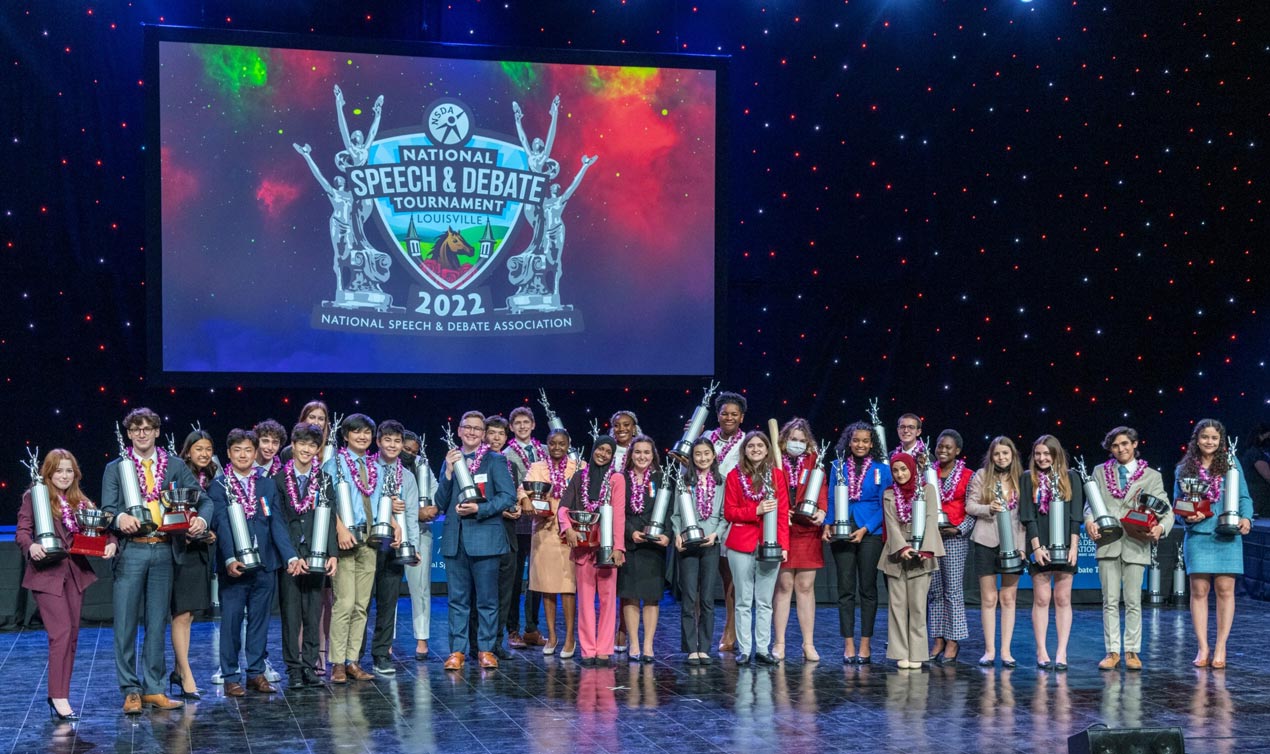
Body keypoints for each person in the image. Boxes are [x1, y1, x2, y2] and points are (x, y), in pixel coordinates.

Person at [101, 407, 205, 714]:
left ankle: (154, 688)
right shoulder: (116, 468)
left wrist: (198, 518)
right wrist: (119, 517)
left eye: (148, 428)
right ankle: (131, 689)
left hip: (163, 549)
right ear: (129, 434)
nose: (142, 433)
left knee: (158, 622)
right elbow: (107, 509)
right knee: (125, 623)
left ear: (157, 431)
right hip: (132, 550)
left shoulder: (173, 465)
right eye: (136, 429)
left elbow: (201, 496)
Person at [17, 449, 117, 720]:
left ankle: (61, 693)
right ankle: (58, 696)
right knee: (60, 634)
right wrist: (32, 546)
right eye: (58, 470)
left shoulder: (80, 501)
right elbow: (23, 531)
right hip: (47, 575)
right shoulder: (35, 496)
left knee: (71, 637)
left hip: (75, 574)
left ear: (75, 474)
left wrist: (110, 543)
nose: (64, 475)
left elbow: (103, 530)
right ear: (48, 473)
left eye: (69, 470)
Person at [209, 428, 303, 697]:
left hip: (265, 565)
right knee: (231, 622)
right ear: (228, 453)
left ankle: (255, 672)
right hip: (234, 568)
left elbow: (276, 524)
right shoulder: (218, 486)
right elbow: (222, 524)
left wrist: (290, 556)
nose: (242, 455)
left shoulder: (266, 483)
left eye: (248, 450)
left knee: (260, 621)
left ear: (255, 453)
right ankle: (229, 676)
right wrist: (228, 558)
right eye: (237, 450)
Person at [1086, 425, 1172, 671]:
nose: (1120, 449)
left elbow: (1166, 509)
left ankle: (1132, 650)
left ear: (1135, 444)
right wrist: (1090, 520)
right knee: (1109, 601)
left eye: (1125, 443)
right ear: (1110, 449)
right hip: (1108, 542)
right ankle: (1112, 651)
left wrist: (1161, 529)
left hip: (1136, 543)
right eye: (1115, 445)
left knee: (1133, 601)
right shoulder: (1100, 472)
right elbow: (1091, 504)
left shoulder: (1152, 476)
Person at [439, 411, 517, 671]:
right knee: (457, 600)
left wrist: (479, 510)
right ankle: (457, 652)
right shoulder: (450, 459)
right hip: (455, 540)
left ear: (483, 434)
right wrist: (449, 472)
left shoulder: (495, 460)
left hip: (485, 537)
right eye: (467, 427)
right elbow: (440, 502)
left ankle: (485, 649)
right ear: (459, 431)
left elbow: (508, 497)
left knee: (487, 600)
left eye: (477, 428)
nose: (471, 432)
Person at [1174, 419, 1253, 669]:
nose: (1210, 442)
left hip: (1227, 534)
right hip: (1197, 534)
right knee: (1198, 591)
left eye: (1214, 438)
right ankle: (1202, 647)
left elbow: (1243, 496)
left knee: (1225, 591)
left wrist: (1247, 518)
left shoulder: (1231, 463)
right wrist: (1187, 516)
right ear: (1196, 439)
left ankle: (1220, 647)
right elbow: (1177, 505)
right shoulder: (1184, 468)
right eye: (1205, 437)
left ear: (1221, 441)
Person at [275, 423, 338, 688]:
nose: (306, 449)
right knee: (291, 616)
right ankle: (293, 669)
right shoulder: (278, 479)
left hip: (317, 554)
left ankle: (310, 666)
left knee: (313, 613)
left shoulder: (324, 480)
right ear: (293, 444)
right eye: (302, 444)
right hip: (291, 556)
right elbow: (277, 522)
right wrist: (290, 556)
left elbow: (331, 517)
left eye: (312, 445)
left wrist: (332, 554)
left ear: (318, 449)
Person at [321, 413, 381, 683]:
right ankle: (336, 663)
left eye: (367, 432)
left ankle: (353, 660)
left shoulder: (376, 466)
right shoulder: (333, 464)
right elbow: (324, 499)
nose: (362, 436)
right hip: (344, 539)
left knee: (361, 605)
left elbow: (382, 501)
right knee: (343, 603)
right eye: (356, 432)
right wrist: (339, 528)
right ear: (345, 436)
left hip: (371, 540)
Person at [826, 421, 891, 665]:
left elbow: (885, 503)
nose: (860, 445)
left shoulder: (882, 470)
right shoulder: (837, 467)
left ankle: (865, 642)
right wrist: (828, 524)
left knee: (867, 589)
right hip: (842, 529)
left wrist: (866, 529)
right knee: (845, 589)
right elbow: (833, 497)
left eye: (865, 441)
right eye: (856, 440)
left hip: (870, 532)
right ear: (848, 442)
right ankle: (848, 643)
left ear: (872, 443)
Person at [560, 436, 628, 665]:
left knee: (609, 601)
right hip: (582, 548)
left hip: (606, 548)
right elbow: (563, 508)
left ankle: (604, 649)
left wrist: (618, 548)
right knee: (586, 602)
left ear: (613, 455)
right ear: (594, 450)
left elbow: (618, 515)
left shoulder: (617, 479)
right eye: (600, 449)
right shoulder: (580, 476)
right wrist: (567, 528)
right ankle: (588, 650)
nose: (603, 454)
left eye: (608, 451)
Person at [723, 431, 790, 665]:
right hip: (741, 543)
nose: (755, 449)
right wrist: (756, 511)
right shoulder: (734, 476)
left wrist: (784, 546)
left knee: (764, 600)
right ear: (745, 450)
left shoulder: (777, 476)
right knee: (743, 599)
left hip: (769, 544)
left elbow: (782, 514)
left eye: (760, 445)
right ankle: (744, 649)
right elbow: (729, 512)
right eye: (750, 446)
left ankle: (762, 649)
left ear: (767, 449)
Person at [1019, 435, 1084, 671]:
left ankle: (1061, 652)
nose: (1042, 458)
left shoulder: (1072, 477)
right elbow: (1027, 515)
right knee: (1042, 598)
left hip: (1066, 544)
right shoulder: (1028, 478)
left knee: (1063, 598)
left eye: (1047, 454)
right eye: (1038, 454)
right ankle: (1042, 650)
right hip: (1040, 543)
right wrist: (1036, 547)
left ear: (1056, 455)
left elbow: (1076, 515)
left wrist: (1074, 547)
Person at [965, 436, 1026, 667]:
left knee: (1008, 598)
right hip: (986, 541)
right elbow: (970, 506)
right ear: (991, 456)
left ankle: (1006, 651)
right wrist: (988, 508)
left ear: (1012, 455)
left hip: (1013, 543)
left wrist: (1021, 547)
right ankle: (989, 650)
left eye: (1005, 453)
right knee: (989, 598)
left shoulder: (1022, 478)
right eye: (997, 454)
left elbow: (1025, 516)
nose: (1001, 457)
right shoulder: (981, 476)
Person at [880, 453, 944, 669]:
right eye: (895, 470)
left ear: (912, 468)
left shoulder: (927, 489)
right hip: (897, 554)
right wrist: (902, 547)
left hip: (921, 553)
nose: (900, 474)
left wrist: (923, 549)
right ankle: (900, 651)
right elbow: (891, 523)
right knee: (897, 605)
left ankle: (917, 652)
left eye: (904, 469)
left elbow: (930, 519)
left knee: (917, 605)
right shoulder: (889, 493)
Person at [169, 429, 218, 700]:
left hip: (201, 551)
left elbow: (213, 512)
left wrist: (211, 532)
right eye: (198, 448)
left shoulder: (213, 477)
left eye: (208, 449)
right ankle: (186, 675)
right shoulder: (177, 474)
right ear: (187, 451)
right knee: (180, 614)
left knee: (188, 616)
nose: (204, 454)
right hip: (180, 552)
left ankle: (179, 669)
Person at [773, 418, 827, 662]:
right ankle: (780, 643)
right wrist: (780, 511)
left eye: (802, 441)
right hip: (783, 529)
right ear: (784, 440)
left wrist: (823, 512)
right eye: (793, 440)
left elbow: (823, 489)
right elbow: (768, 489)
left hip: (807, 530)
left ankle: (808, 644)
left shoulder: (814, 461)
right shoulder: (773, 460)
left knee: (805, 587)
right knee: (784, 586)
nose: (797, 444)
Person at [523, 428, 580, 657]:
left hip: (570, 533)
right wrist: (526, 500)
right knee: (547, 587)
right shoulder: (537, 467)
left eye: (562, 444)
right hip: (544, 531)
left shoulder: (579, 467)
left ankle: (569, 637)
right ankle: (552, 636)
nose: (557, 448)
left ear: (568, 445)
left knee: (567, 588)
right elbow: (523, 490)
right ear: (547, 445)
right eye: (553, 444)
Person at [672, 438, 729, 665]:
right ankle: (690, 647)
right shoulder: (684, 482)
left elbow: (725, 515)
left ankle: (704, 647)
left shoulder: (721, 482)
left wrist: (716, 534)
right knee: (688, 597)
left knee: (706, 598)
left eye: (706, 453)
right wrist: (677, 533)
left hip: (710, 544)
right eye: (698, 454)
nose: (702, 458)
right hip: (688, 543)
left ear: (713, 455)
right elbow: (676, 514)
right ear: (692, 457)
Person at [362, 420, 410, 676]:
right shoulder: (365, 469)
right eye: (387, 440)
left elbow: (411, 513)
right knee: (361, 604)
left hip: (395, 546)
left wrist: (410, 544)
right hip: (369, 545)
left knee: (388, 604)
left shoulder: (409, 475)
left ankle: (381, 654)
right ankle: (354, 658)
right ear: (378, 442)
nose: (392, 445)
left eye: (397, 440)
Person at [471, 415, 519, 660]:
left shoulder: (509, 464)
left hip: (507, 538)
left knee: (503, 594)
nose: (496, 438)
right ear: (483, 436)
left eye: (501, 434)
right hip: (483, 535)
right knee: (480, 594)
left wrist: (519, 508)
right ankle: (477, 643)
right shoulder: (476, 464)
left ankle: (496, 642)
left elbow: (513, 496)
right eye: (492, 433)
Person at [619, 435, 670, 663]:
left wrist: (667, 535)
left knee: (651, 597)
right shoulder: (621, 479)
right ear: (631, 454)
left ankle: (648, 645)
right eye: (637, 452)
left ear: (653, 455)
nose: (642, 456)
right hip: (631, 544)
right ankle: (634, 644)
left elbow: (670, 510)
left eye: (646, 452)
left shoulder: (662, 478)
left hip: (654, 545)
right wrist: (631, 533)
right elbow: (618, 512)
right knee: (630, 597)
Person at [928, 429, 975, 665]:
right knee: (934, 591)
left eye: (949, 447)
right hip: (932, 537)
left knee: (952, 591)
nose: (943, 450)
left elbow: (973, 508)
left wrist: (959, 529)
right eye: (940, 446)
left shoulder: (969, 475)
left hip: (955, 537)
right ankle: (937, 639)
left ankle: (954, 640)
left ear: (957, 450)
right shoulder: (928, 472)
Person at [707, 391, 747, 653]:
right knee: (717, 575)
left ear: (742, 417)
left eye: (734, 413)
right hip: (707, 513)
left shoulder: (748, 442)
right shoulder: (706, 439)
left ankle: (732, 629)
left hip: (734, 514)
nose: (729, 417)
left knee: (733, 578)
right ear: (717, 415)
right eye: (724, 413)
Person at [504, 406, 546, 649]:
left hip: (541, 522)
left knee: (537, 577)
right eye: (517, 423)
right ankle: (512, 629)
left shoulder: (545, 451)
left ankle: (532, 627)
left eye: (526, 422)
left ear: (533, 425)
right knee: (514, 577)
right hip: (518, 522)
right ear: (511, 427)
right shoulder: (507, 454)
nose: (522, 426)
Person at [401, 430, 439, 660]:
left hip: (421, 533)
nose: (410, 455)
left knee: (421, 588)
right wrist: (414, 513)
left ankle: (422, 639)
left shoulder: (423, 467)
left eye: (414, 451)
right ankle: (386, 642)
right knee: (387, 592)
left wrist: (430, 511)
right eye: (406, 449)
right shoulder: (380, 467)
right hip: (391, 534)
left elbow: (435, 498)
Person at [1242, 422, 1270, 518]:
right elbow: (1267, 475)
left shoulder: (1256, 452)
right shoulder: (1255, 453)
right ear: (1260, 436)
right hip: (1259, 496)